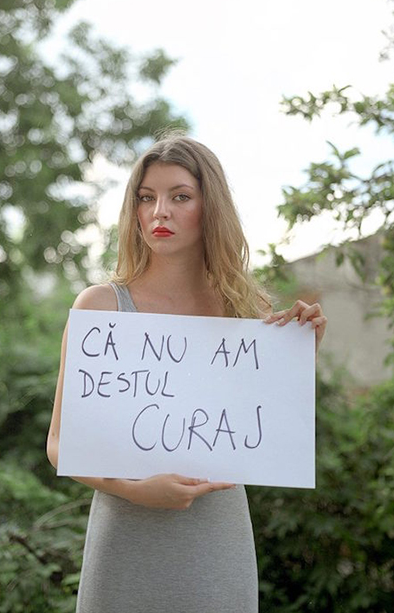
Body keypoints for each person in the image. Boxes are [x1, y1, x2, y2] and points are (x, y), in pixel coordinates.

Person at [46, 134, 327, 613]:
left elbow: (267, 434)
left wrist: (300, 352)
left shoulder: (246, 313)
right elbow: (59, 444)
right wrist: (137, 490)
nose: (160, 211)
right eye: (146, 198)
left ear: (209, 207)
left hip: (217, 542)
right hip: (125, 539)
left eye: (179, 196)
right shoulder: (101, 307)